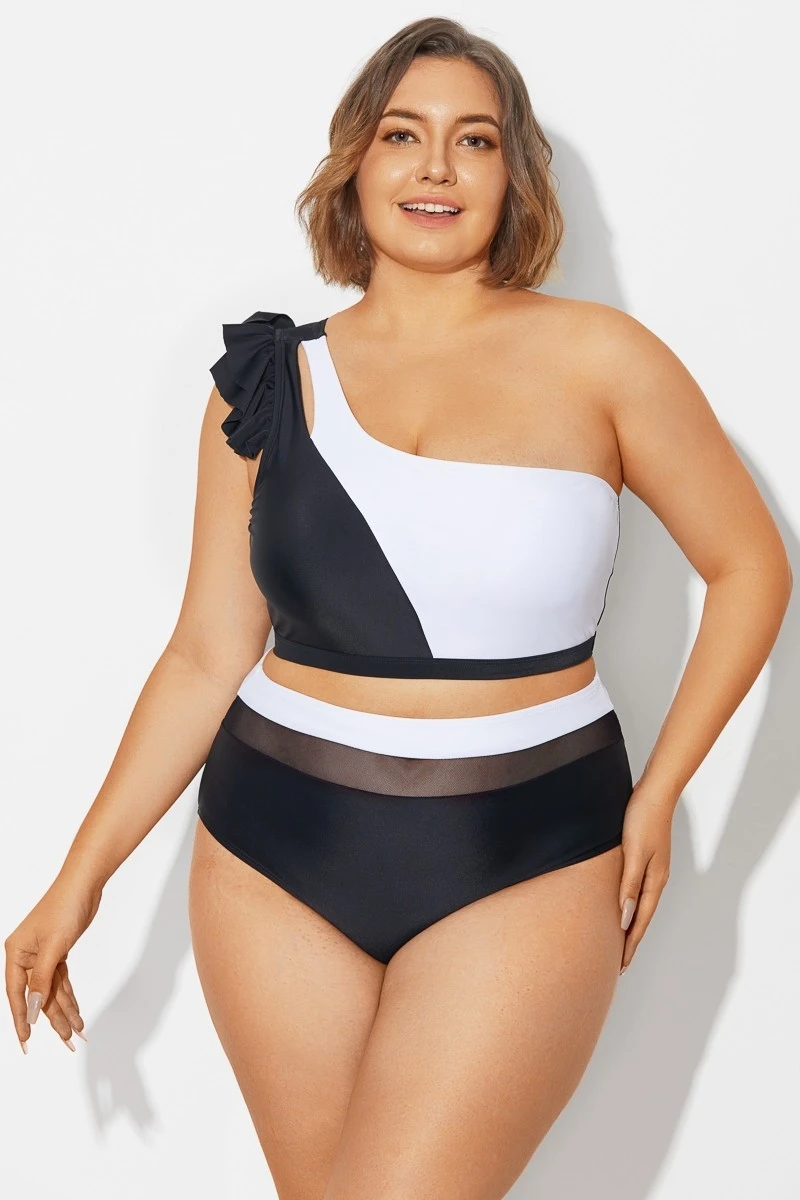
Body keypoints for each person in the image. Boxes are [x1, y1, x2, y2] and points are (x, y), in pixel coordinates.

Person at [5, 15, 792, 1199]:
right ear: (354, 164)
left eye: (473, 140)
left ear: (512, 176)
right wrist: (80, 877)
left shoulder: (604, 360)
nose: (435, 167)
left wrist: (658, 797)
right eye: (400, 135)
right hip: (271, 854)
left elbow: (749, 566)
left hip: (528, 848)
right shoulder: (269, 381)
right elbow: (206, 652)